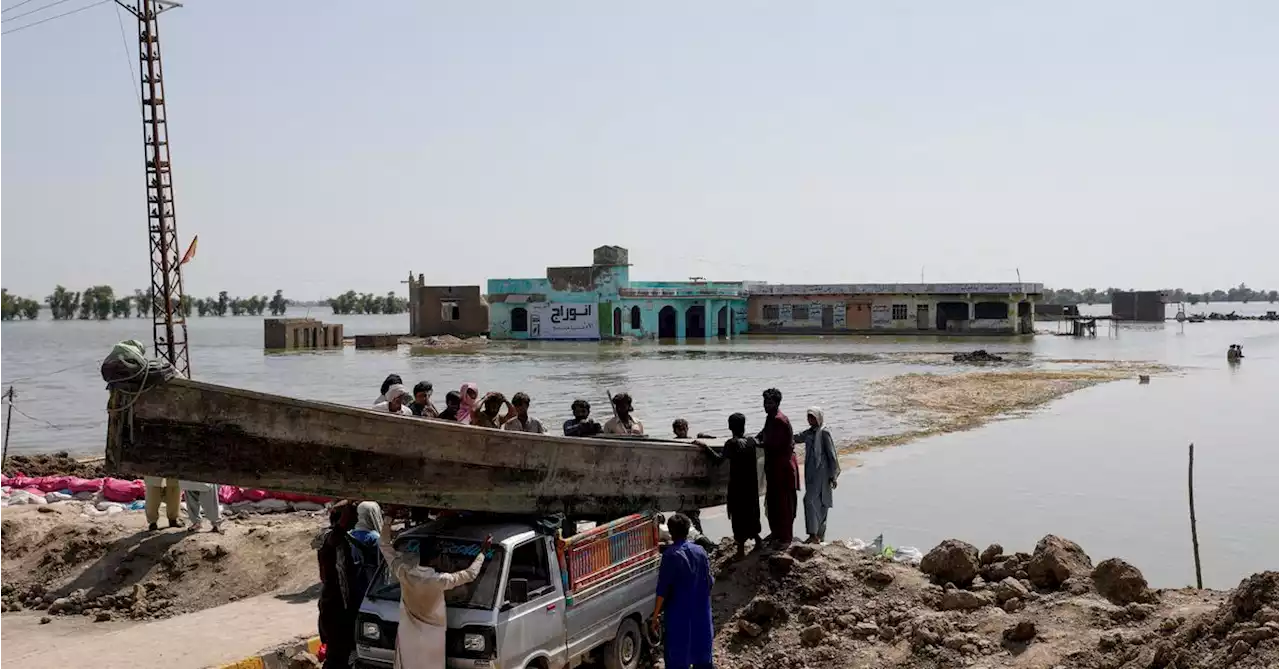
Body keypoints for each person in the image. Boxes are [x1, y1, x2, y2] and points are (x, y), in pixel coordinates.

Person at [379, 510, 491, 669]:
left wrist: (388, 519)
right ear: (434, 558)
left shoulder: (403, 572)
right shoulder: (440, 580)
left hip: (407, 636)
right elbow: (470, 574)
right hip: (432, 639)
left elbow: (384, 545)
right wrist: (482, 553)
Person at [650, 513, 714, 669]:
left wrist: (655, 616)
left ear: (671, 532)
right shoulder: (700, 551)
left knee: (678, 658)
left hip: (679, 618)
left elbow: (662, 590)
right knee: (703, 657)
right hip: (701, 616)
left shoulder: (670, 556)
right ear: (688, 530)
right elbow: (710, 581)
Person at [315, 501, 360, 669]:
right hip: (334, 606)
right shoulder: (328, 537)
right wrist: (347, 512)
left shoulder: (345, 539)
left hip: (340, 605)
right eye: (353, 518)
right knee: (336, 657)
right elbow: (334, 539)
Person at [757, 387, 797, 546]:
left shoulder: (780, 420)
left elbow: (773, 445)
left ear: (777, 403)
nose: (766, 405)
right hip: (773, 467)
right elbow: (763, 434)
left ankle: (785, 537)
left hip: (782, 468)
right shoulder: (770, 418)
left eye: (770, 402)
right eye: (765, 402)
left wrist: (759, 444)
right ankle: (776, 532)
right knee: (773, 502)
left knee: (783, 503)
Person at [794, 407, 840, 544]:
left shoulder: (824, 433)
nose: (810, 420)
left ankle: (813, 534)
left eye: (812, 417)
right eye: (808, 417)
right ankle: (819, 536)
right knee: (818, 503)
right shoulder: (808, 433)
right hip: (810, 473)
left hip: (823, 473)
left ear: (819, 418)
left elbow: (832, 455)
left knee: (810, 501)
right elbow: (795, 438)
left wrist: (834, 475)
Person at [723, 412, 761, 558]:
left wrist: (704, 447)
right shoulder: (752, 442)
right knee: (751, 512)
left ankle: (740, 549)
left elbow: (719, 459)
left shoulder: (731, 444)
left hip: (737, 486)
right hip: (751, 486)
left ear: (730, 427)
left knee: (737, 515)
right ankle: (758, 540)